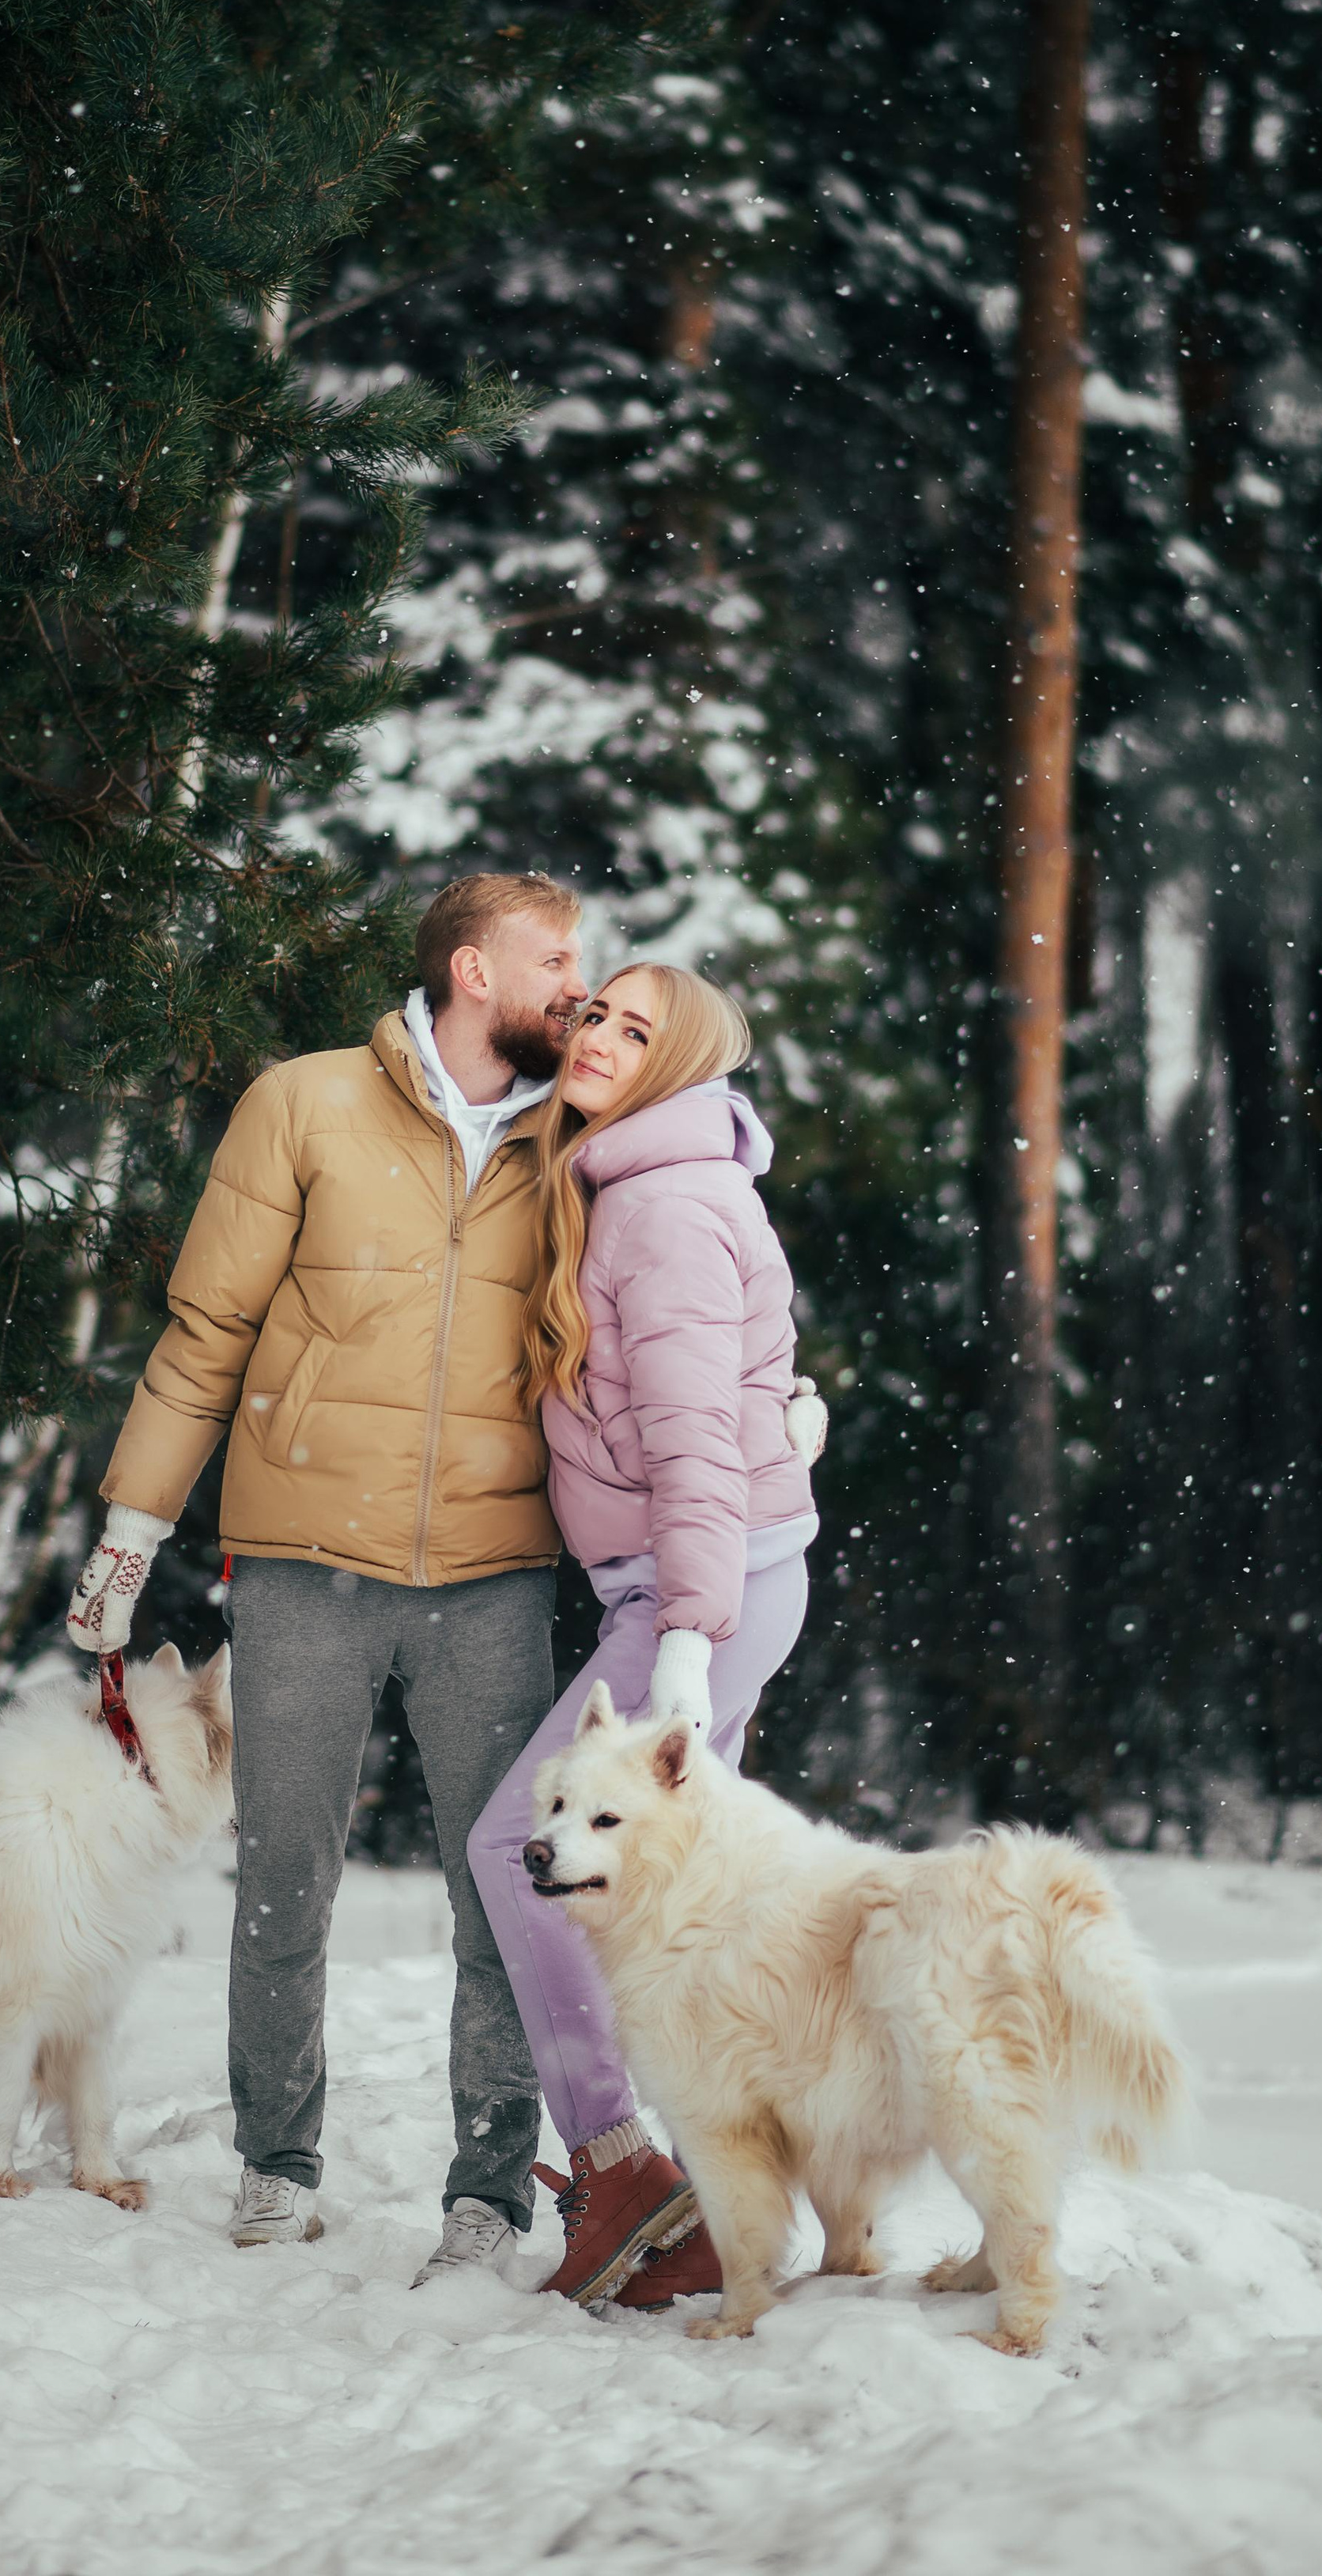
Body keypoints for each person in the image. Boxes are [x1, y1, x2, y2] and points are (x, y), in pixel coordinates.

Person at [64, 873, 587, 2275]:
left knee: (506, 1895)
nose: (578, 984)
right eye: (554, 957)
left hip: (497, 1569)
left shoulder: (580, 1130)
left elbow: (668, 1297)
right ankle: (275, 2163)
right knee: (284, 1879)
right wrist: (131, 1533)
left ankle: (491, 2193)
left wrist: (765, 1416)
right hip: (302, 1558)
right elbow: (206, 1331)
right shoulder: (303, 1103)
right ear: (473, 970)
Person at [466, 963, 822, 2307]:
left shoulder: (663, 1203)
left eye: (638, 1030)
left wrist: (685, 1634)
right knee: (674, 1890)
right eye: (596, 1015)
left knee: (526, 1850)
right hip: (709, 1581)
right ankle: (729, 2186)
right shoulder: (643, 1182)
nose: (601, 1039)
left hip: (696, 1591)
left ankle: (621, 2169)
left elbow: (690, 1442)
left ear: (682, 1067)